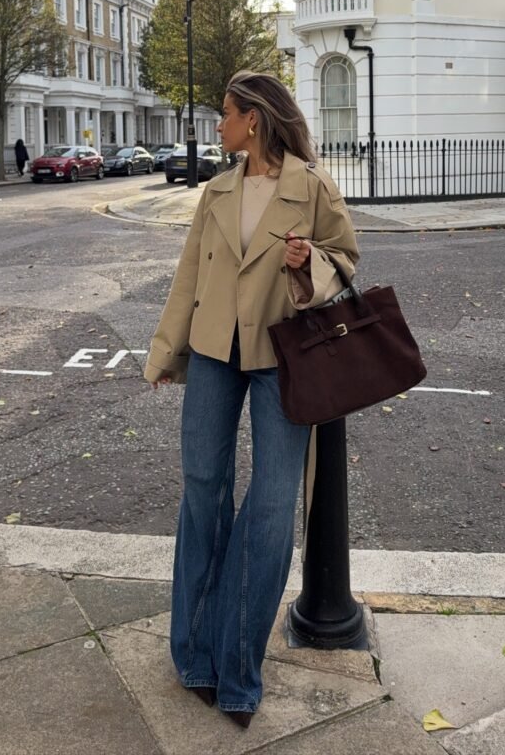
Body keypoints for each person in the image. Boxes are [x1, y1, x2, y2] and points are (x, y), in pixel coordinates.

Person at [144, 71, 358, 729]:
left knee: (268, 509)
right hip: (212, 353)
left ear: (254, 121)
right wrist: (164, 351)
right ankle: (194, 653)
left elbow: (345, 257)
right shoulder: (217, 190)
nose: (218, 125)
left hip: (281, 357)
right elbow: (190, 276)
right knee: (203, 489)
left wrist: (306, 264)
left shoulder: (311, 185)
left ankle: (237, 664)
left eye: (226, 114)